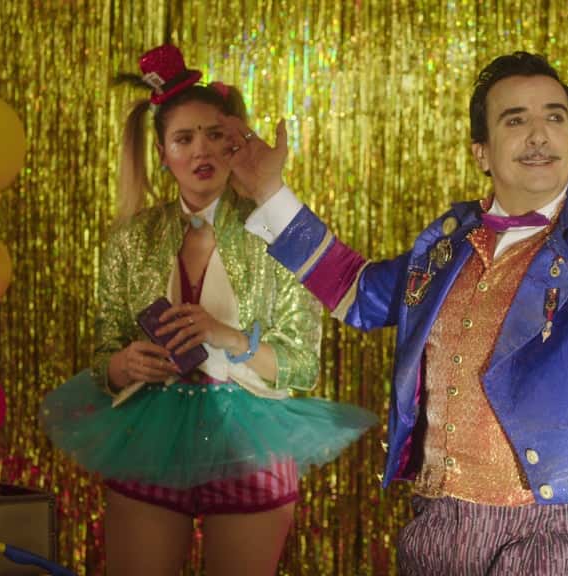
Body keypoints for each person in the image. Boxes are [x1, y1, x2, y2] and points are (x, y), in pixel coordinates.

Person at [226, 51, 568, 575]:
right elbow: (359, 294)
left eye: (555, 117)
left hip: (559, 523)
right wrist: (271, 194)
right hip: (441, 519)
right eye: (515, 120)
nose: (539, 135)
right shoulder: (448, 242)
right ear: (481, 152)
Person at [40, 45, 377, 576]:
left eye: (215, 135)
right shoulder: (132, 240)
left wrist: (229, 337)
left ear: (235, 142)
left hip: (250, 440)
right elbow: (105, 355)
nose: (202, 150)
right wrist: (122, 365)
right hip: (148, 435)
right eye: (184, 139)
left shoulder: (278, 234)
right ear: (162, 152)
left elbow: (302, 366)